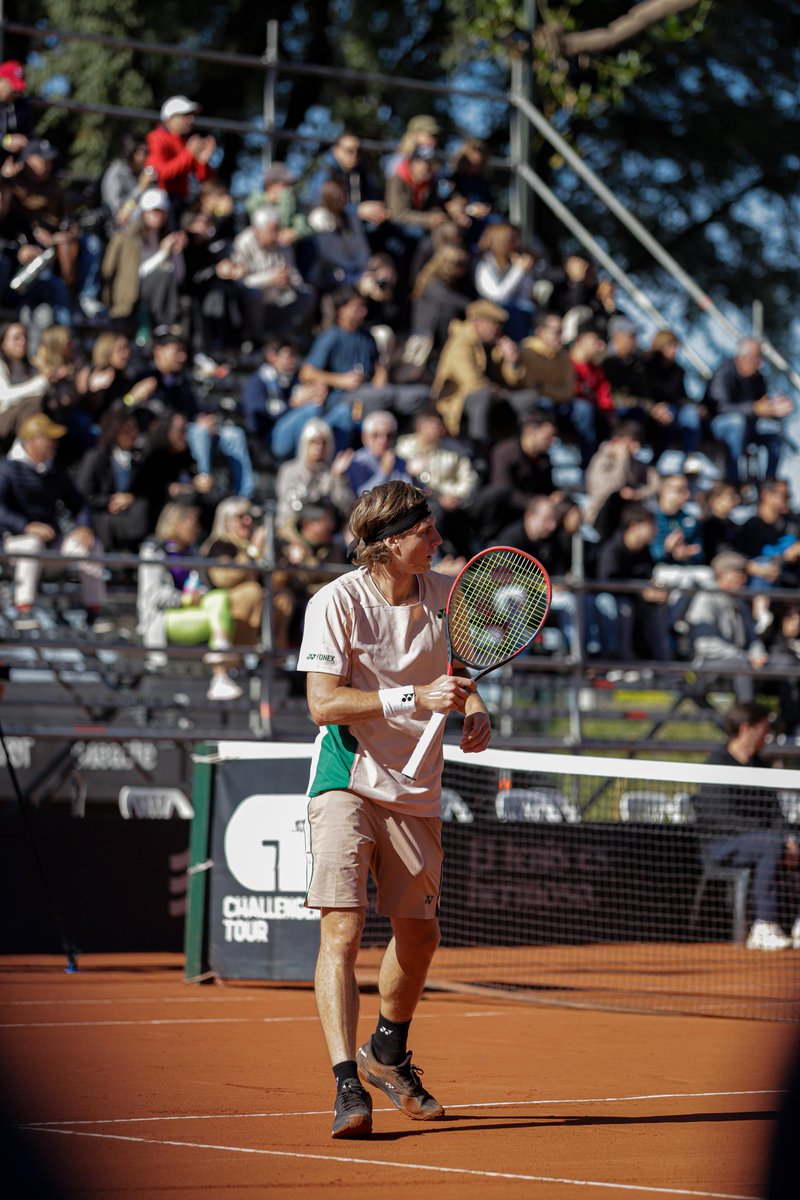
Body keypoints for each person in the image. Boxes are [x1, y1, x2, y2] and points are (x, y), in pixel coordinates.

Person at [297, 480, 491, 1138]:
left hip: (418, 789)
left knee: (421, 937)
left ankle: (386, 1053)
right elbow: (323, 704)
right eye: (426, 532)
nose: (438, 541)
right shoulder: (335, 603)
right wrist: (416, 700)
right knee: (342, 933)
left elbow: (459, 670)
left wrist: (474, 705)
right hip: (346, 780)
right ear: (388, 543)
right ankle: (346, 1086)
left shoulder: (446, 596)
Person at [695, 702, 800, 951]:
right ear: (747, 729)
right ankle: (764, 924)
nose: (768, 734)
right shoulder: (716, 764)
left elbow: (775, 814)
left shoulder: (761, 767)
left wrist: (790, 838)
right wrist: (774, 838)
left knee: (779, 843)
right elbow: (720, 817)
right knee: (770, 845)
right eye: (765, 728)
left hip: (764, 841)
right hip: (721, 845)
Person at [0, 412, 107, 627]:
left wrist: (84, 527)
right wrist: (26, 526)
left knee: (91, 545)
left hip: (51, 546)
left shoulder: (55, 470)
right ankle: (24, 609)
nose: (54, 444)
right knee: (32, 543)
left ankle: (94, 611)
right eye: (48, 438)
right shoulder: (7, 470)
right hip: (13, 545)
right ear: (32, 440)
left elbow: (78, 504)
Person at [137, 500, 242, 701]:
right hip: (164, 621)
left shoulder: (193, 552)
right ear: (177, 523)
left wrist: (197, 595)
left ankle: (220, 668)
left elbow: (204, 588)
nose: (198, 528)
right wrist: (185, 599)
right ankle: (220, 673)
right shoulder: (154, 551)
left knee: (219, 597)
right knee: (222, 614)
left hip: (193, 613)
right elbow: (153, 596)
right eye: (193, 523)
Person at [431, 299, 531, 447]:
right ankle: (478, 448)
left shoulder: (491, 345)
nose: (498, 329)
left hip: (492, 395)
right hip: (457, 403)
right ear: (479, 322)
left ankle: (515, 448)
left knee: (528, 399)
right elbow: (472, 384)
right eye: (494, 324)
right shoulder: (460, 342)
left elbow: (513, 382)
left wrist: (511, 361)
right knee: (482, 396)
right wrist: (500, 393)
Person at [705, 338, 792, 485]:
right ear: (742, 357)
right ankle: (734, 480)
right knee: (737, 422)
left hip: (749, 425)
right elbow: (720, 407)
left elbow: (761, 407)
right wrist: (753, 408)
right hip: (719, 425)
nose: (760, 364)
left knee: (774, 429)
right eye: (757, 359)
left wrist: (773, 409)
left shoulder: (758, 378)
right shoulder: (723, 373)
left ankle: (769, 481)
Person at [684, 550, 768, 702]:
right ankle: (747, 719)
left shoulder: (740, 601)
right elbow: (705, 644)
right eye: (738, 573)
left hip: (740, 659)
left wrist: (758, 654)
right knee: (740, 664)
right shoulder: (706, 598)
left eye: (744, 573)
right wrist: (745, 656)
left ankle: (789, 722)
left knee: (784, 663)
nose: (744, 578)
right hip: (709, 664)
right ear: (722, 574)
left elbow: (752, 637)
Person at [230, 205, 313, 341]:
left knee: (308, 294)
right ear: (257, 231)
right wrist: (269, 278)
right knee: (252, 294)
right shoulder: (242, 243)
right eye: (272, 231)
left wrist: (288, 279)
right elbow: (240, 282)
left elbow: (296, 277)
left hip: (280, 298)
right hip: (254, 304)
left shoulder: (282, 243)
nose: (276, 235)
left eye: (277, 229)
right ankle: (258, 339)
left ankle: (283, 337)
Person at [145, 96, 215, 209]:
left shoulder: (184, 142)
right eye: (185, 115)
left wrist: (203, 161)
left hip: (180, 201)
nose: (190, 119)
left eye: (192, 115)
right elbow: (160, 173)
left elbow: (203, 178)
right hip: (162, 203)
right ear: (170, 118)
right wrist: (189, 153)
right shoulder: (156, 138)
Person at [473, 222, 536, 342]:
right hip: (492, 311)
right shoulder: (485, 263)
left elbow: (525, 297)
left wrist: (526, 273)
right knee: (516, 315)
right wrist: (519, 271)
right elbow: (498, 296)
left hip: (516, 311)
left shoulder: (512, 261)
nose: (518, 243)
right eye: (514, 239)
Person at [0, 320, 48, 444]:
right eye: (16, 338)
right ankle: (24, 447)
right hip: (3, 419)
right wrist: (39, 383)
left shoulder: (28, 366)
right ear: (3, 342)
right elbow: (5, 397)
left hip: (19, 416)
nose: (22, 342)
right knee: (33, 402)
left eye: (25, 337)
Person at [346, 409, 413, 496]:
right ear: (364, 437)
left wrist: (414, 477)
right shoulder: (356, 461)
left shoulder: (399, 461)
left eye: (389, 435)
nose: (383, 441)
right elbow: (361, 497)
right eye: (375, 435)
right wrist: (384, 472)